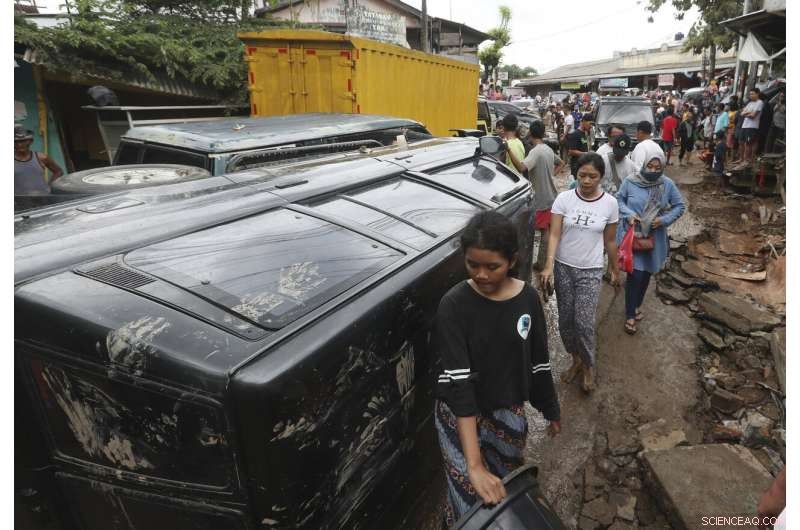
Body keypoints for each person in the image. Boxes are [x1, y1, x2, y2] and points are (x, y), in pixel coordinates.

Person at [434, 210, 561, 526]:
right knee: (468, 496)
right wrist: (474, 465)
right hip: (459, 414)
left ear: (513, 260)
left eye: (493, 266)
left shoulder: (528, 300)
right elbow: (460, 385)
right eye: (472, 265)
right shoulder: (453, 305)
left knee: (506, 489)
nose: (482, 275)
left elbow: (539, 361)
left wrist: (551, 408)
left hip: (507, 409)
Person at [540, 153, 620, 393]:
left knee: (583, 322)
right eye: (582, 175)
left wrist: (615, 269)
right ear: (575, 174)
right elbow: (554, 234)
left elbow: (610, 241)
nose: (586, 181)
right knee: (565, 320)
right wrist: (548, 265)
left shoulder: (610, 204)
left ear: (601, 177)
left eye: (592, 176)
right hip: (563, 267)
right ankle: (575, 359)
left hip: (591, 269)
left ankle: (588, 366)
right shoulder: (564, 199)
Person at [616, 151, 686, 334]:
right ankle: (630, 314)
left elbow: (680, 206)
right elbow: (619, 199)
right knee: (635, 276)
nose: (653, 170)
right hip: (633, 236)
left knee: (647, 274)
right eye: (650, 166)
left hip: (654, 239)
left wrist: (664, 220)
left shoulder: (667, 184)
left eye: (657, 168)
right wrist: (628, 214)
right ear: (644, 164)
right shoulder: (631, 181)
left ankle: (637, 304)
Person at [506, 120, 563, 270]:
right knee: (546, 229)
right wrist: (552, 176)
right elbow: (561, 163)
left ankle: (542, 262)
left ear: (531, 133)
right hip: (551, 194)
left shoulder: (536, 151)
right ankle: (541, 261)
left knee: (544, 230)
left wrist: (508, 149)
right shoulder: (548, 149)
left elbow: (521, 167)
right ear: (543, 133)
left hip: (542, 197)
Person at [14, 125, 64, 197]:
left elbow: (58, 171)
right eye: (15, 142)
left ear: (31, 141)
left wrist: (49, 187)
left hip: (43, 198)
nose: (19, 144)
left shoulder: (41, 157)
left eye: (23, 141)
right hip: (19, 202)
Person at [737, 88, 764, 166]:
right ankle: (742, 159)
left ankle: (747, 160)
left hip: (752, 126)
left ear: (757, 94)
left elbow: (753, 116)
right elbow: (742, 113)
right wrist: (748, 113)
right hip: (745, 125)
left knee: (748, 143)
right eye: (750, 94)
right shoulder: (750, 103)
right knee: (741, 141)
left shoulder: (760, 103)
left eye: (752, 94)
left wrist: (747, 113)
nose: (751, 95)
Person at [566, 115, 592, 179]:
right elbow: (571, 151)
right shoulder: (575, 134)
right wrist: (586, 154)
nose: (591, 126)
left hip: (583, 165)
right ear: (583, 121)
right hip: (576, 167)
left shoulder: (585, 133)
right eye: (590, 123)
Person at [756, 90, 773, 156]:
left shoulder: (764, 105)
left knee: (760, 140)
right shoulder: (766, 104)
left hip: (762, 126)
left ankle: (758, 153)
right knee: (761, 139)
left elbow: (762, 116)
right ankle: (759, 152)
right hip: (765, 126)